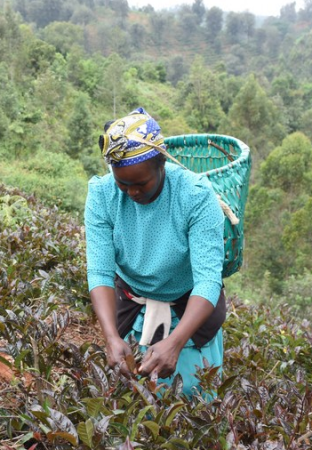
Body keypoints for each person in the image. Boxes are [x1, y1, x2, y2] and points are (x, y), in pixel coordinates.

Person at [84, 107, 227, 397]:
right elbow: (99, 271)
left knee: (195, 401)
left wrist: (175, 342)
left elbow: (208, 281)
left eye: (140, 184)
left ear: (161, 164)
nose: (131, 192)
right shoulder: (102, 194)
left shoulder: (195, 196)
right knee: (134, 404)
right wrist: (111, 336)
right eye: (122, 183)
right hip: (132, 308)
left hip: (189, 313)